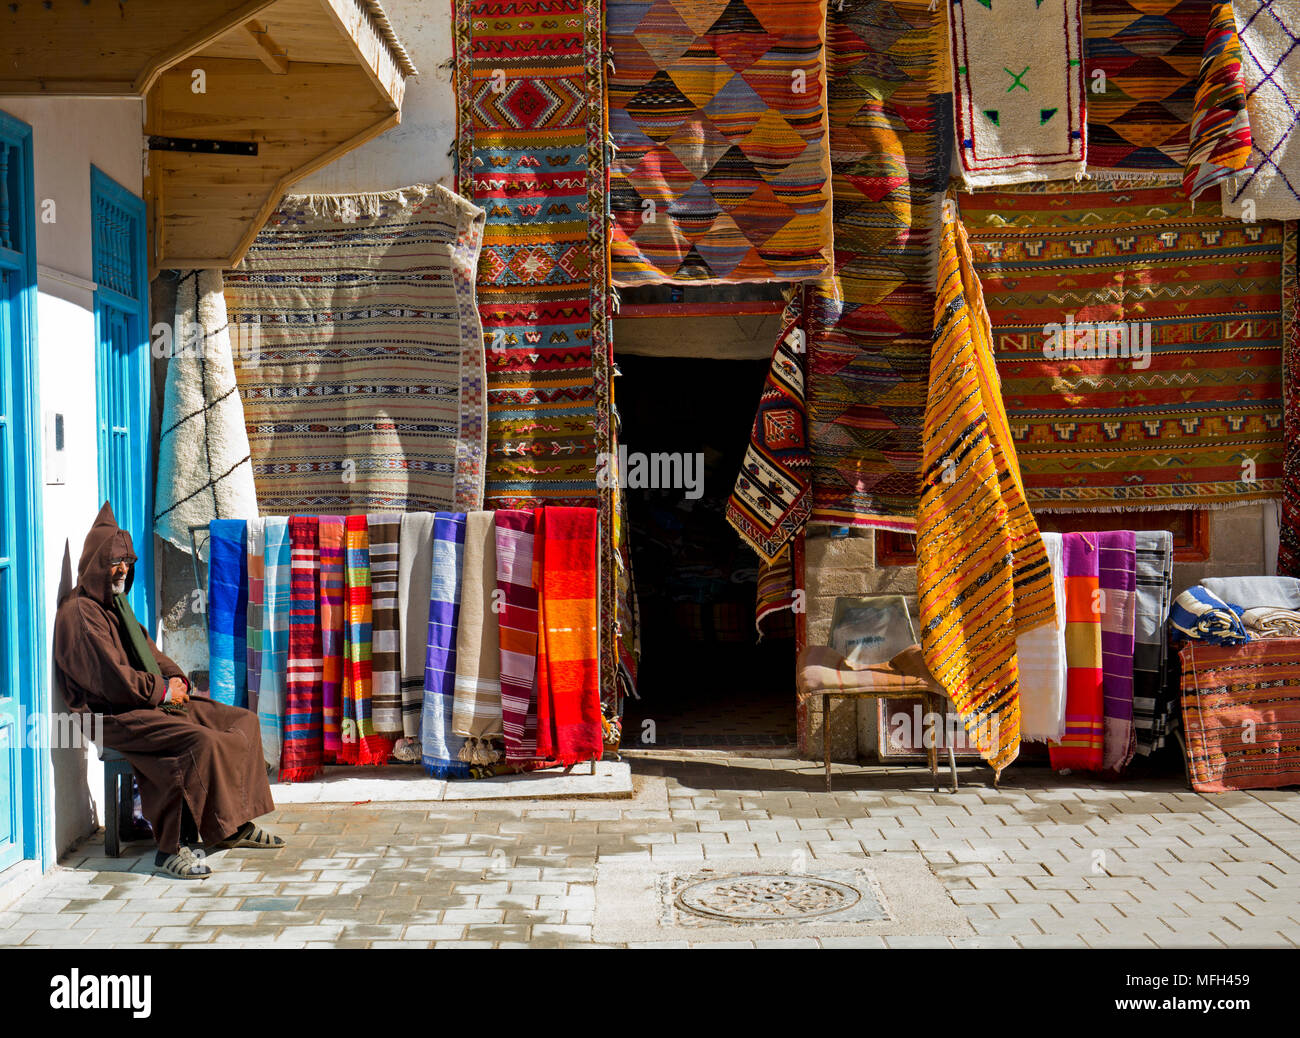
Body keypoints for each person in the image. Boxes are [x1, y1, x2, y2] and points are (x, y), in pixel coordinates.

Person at [54, 502, 282, 879]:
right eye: (115, 563)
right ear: (95, 564)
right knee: (195, 742)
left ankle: (231, 825)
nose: (122, 570)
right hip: (111, 715)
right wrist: (162, 693)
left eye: (127, 562)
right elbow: (113, 680)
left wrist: (176, 681)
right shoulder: (80, 614)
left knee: (241, 721)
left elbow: (151, 652)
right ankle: (169, 850)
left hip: (145, 700)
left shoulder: (117, 607)